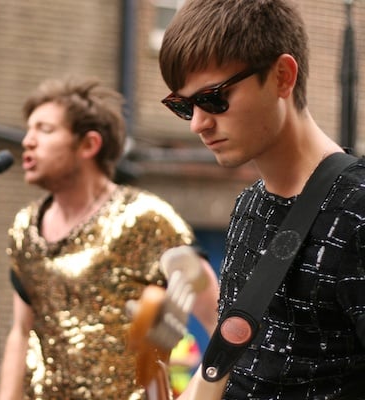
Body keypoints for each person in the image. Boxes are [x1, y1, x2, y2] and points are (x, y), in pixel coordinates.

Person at [159, 0, 365, 398]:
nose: (199, 124)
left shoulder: (357, 210)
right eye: (184, 107)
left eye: (214, 98)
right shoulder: (248, 207)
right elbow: (238, 370)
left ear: (282, 77)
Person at [0, 76, 219, 399]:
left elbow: (219, 320)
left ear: (89, 144)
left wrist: (198, 395)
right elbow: (20, 330)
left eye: (44, 130)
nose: (27, 141)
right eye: (29, 130)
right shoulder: (24, 226)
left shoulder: (145, 219)